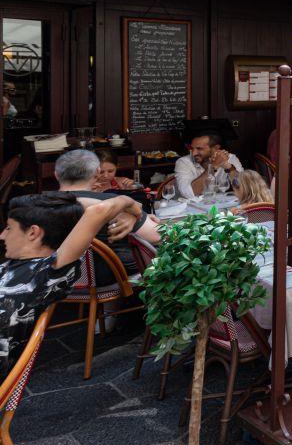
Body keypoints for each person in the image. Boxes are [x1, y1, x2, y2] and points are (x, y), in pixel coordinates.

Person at [0, 193, 142, 367]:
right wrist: (127, 210)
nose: (2, 235)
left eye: (9, 228)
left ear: (33, 232)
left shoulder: (48, 272)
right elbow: (79, 204)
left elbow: (97, 211)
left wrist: (129, 202)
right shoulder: (18, 264)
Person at [55, 149, 161, 273]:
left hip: (59, 283)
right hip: (114, 279)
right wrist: (137, 214)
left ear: (56, 174)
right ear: (97, 172)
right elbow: (158, 236)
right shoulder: (112, 202)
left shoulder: (38, 205)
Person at [174, 132, 243, 200]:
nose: (194, 153)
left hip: (218, 204)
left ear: (216, 148)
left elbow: (243, 187)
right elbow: (189, 194)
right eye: (192, 148)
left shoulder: (229, 158)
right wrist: (213, 167)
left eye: (199, 149)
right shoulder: (183, 162)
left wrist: (230, 168)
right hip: (188, 207)